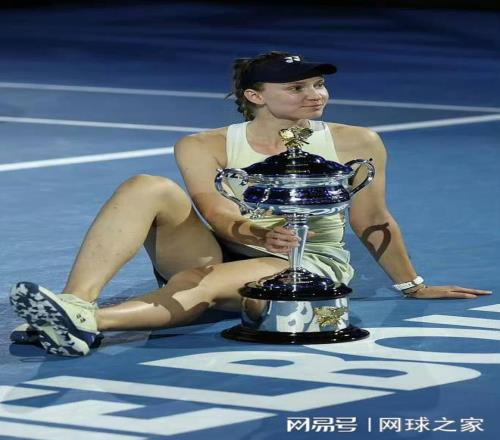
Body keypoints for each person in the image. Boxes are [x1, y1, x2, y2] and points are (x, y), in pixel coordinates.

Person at [9, 51, 492, 356]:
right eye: (297, 87)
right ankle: (74, 303)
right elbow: (215, 210)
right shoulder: (202, 144)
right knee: (145, 185)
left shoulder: (357, 141)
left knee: (200, 281)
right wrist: (258, 232)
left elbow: (373, 218)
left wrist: (413, 286)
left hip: (304, 261)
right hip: (229, 243)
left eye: (318, 84)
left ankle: (86, 322)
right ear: (254, 96)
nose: (316, 95)